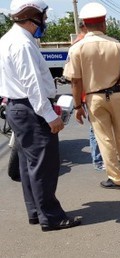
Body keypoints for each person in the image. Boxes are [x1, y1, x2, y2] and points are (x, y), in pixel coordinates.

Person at [0, 0, 81, 231]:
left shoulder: (9, 39)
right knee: (44, 166)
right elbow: (32, 85)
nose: (45, 21)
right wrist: (50, 116)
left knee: (29, 165)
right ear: (32, 16)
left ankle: (36, 211)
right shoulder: (22, 44)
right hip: (31, 108)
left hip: (18, 107)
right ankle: (52, 217)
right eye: (43, 17)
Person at [63, 2, 120, 189]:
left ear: (84, 25)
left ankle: (116, 178)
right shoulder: (118, 45)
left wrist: (77, 106)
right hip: (119, 96)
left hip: (94, 99)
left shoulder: (77, 48)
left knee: (104, 139)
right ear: (104, 24)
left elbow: (75, 81)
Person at [73, 20, 105, 171]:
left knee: (99, 128)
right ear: (85, 27)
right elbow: (74, 79)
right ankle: (98, 160)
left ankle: (102, 158)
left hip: (91, 93)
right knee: (95, 129)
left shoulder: (82, 44)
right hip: (89, 93)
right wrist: (77, 103)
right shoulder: (79, 45)